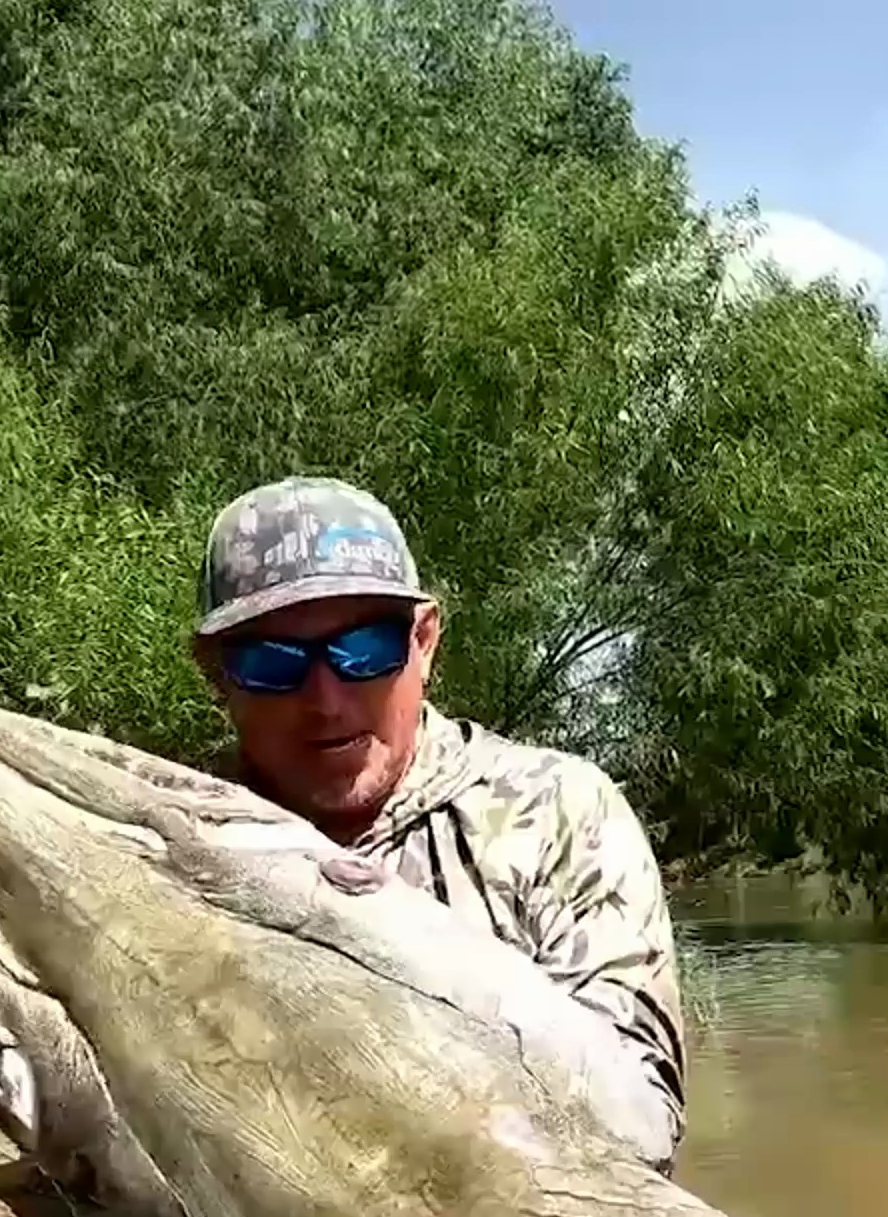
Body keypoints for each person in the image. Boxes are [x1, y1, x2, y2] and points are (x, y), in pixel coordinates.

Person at [188, 475, 689, 1164]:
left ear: (423, 641)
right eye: (273, 663)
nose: (326, 700)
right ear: (217, 674)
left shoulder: (560, 813)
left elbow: (639, 1125)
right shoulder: (177, 843)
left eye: (364, 650)